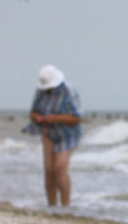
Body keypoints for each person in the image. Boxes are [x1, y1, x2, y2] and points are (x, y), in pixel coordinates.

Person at [22, 65, 82, 206]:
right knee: (49, 171)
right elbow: (33, 113)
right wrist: (38, 118)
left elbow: (77, 118)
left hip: (68, 135)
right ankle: (52, 208)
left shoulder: (69, 90)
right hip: (48, 132)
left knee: (59, 169)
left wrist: (54, 118)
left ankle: (65, 207)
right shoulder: (41, 91)